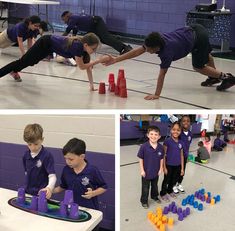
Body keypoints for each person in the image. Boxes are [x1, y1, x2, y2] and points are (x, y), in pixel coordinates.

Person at [103, 24, 235, 100]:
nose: (146, 51)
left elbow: (162, 75)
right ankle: (214, 78)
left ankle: (226, 77)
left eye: (149, 50)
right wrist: (115, 60)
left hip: (198, 38)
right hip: (196, 29)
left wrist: (156, 94)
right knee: (205, 54)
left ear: (156, 48)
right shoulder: (156, 39)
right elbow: (137, 51)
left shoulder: (167, 53)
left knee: (198, 66)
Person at [0, 32, 109, 87]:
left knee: (31, 62)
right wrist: (99, 60)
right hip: (44, 42)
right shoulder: (78, 47)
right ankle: (8, 71)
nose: (94, 51)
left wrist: (91, 85)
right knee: (23, 61)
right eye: (93, 49)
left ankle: (14, 71)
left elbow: (88, 67)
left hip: (49, 47)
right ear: (86, 45)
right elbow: (81, 67)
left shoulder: (84, 51)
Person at [53, 138, 107, 211]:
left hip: (88, 209)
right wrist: (50, 190)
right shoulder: (66, 170)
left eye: (71, 159)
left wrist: (93, 193)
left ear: (82, 157)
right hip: (70, 208)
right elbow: (63, 186)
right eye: (65, 158)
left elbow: (104, 187)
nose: (67, 162)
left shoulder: (92, 170)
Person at [61, 11, 132, 55]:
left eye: (64, 19)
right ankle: (115, 39)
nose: (64, 22)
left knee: (106, 38)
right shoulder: (73, 19)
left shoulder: (72, 17)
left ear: (67, 16)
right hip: (92, 27)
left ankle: (125, 48)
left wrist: (61, 39)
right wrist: (72, 39)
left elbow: (68, 30)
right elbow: (74, 30)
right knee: (102, 40)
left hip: (96, 22)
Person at [22, 123, 56, 199]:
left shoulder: (47, 155)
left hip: (41, 194)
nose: (33, 148)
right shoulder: (25, 155)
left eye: (36, 144)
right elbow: (26, 173)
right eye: (29, 144)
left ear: (42, 140)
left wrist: (49, 188)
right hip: (27, 192)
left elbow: (52, 176)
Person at [137, 126, 164, 208]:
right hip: (146, 172)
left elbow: (161, 158)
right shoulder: (144, 147)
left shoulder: (160, 147)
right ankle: (144, 201)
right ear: (148, 135)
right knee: (145, 188)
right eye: (151, 134)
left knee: (155, 186)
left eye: (156, 134)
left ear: (159, 136)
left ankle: (154, 196)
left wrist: (161, 168)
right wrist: (142, 170)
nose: (153, 136)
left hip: (156, 172)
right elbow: (140, 158)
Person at [160, 122, 184, 202]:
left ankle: (169, 191)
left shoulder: (181, 142)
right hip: (169, 165)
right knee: (166, 180)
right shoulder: (167, 141)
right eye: (174, 129)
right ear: (171, 130)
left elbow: (182, 156)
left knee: (173, 180)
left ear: (180, 131)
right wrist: (164, 167)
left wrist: (182, 168)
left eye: (178, 130)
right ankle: (163, 193)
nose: (176, 131)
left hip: (177, 165)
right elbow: (163, 155)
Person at [175, 115, 192, 194]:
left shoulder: (190, 134)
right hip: (176, 157)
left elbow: (188, 146)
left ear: (190, 123)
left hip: (184, 157)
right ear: (181, 123)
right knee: (176, 172)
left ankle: (179, 184)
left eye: (188, 121)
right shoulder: (178, 132)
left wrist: (187, 155)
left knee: (182, 171)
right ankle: (173, 185)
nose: (186, 122)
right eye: (184, 121)